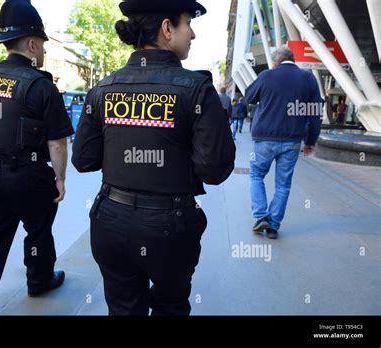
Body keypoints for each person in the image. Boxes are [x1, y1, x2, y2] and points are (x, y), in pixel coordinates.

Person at [72, 0, 235, 316]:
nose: (194, 35)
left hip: (110, 219)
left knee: (122, 308)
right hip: (169, 226)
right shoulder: (197, 88)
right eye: (189, 23)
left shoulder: (104, 88)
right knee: (170, 306)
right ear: (167, 28)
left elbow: (84, 159)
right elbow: (214, 169)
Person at [0, 0, 74, 315]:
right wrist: (60, 179)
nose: (45, 53)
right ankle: (39, 280)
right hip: (28, 177)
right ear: (32, 44)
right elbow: (58, 143)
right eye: (44, 46)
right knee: (38, 228)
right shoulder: (41, 86)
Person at [245, 47, 322, 239]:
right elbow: (315, 115)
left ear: (274, 63)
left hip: (264, 138)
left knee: (256, 175)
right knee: (283, 184)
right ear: (293, 60)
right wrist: (310, 141)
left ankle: (261, 215)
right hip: (293, 140)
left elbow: (248, 97)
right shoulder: (308, 79)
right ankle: (273, 226)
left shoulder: (267, 75)